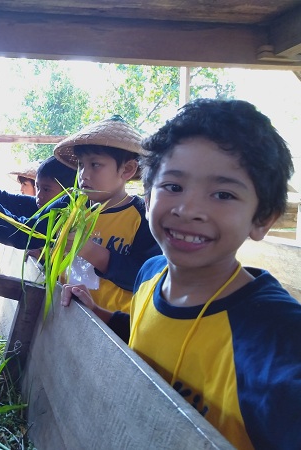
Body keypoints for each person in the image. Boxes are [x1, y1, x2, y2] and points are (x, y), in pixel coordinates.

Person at [61, 99, 300, 450]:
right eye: (173, 186)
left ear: (263, 218)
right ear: (148, 197)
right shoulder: (150, 274)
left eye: (223, 194)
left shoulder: (277, 340)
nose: (189, 210)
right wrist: (100, 315)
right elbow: (151, 332)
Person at [0, 116, 161, 312]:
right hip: (64, 310)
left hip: (109, 326)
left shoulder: (144, 216)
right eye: (81, 165)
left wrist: (91, 251)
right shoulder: (69, 205)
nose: (83, 175)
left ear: (127, 170)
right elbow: (25, 233)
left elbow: (147, 277)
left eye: (95, 165)